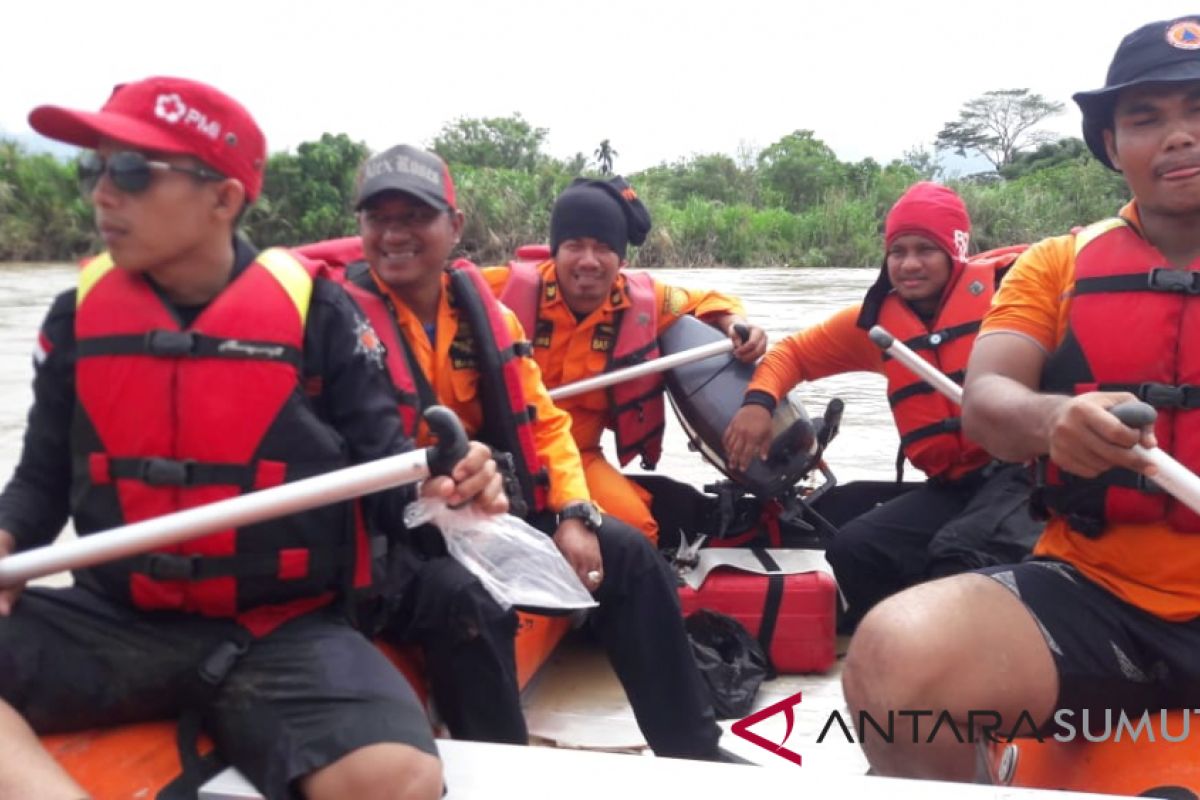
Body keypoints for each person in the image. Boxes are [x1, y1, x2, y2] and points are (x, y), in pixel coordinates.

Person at [0, 78, 505, 800]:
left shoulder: (321, 315)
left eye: (133, 172)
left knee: (400, 779)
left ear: (224, 197)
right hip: (114, 623)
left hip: (279, 630)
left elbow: (390, 477)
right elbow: (40, 482)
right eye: (95, 170)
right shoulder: (75, 318)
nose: (103, 195)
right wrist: (8, 538)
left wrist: (449, 485)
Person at [840, 15, 1200, 781]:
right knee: (892, 656)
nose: (1179, 137)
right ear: (1110, 146)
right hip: (1100, 591)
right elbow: (988, 399)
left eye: (1199, 111)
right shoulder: (1055, 266)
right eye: (1147, 118)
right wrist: (1052, 419)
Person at [296, 144, 727, 759]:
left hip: (483, 504)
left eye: (416, 218)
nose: (396, 235)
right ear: (360, 226)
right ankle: (504, 769)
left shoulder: (486, 313)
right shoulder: (329, 320)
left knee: (628, 552)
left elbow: (545, 424)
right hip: (393, 529)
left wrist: (575, 514)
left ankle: (694, 749)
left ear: (454, 227)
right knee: (465, 602)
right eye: (379, 219)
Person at [723, 182, 1041, 629]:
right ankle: (895, 644)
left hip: (1028, 478)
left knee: (962, 553)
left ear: (956, 252)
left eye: (925, 250)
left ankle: (965, 654)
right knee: (855, 548)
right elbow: (792, 354)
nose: (909, 264)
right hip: (957, 485)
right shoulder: (875, 325)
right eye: (897, 251)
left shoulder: (1016, 296)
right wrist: (758, 403)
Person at [480, 178, 768, 545]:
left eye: (603, 248)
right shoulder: (499, 288)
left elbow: (711, 301)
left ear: (622, 259)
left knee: (638, 531)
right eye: (574, 246)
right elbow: (430, 293)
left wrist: (737, 324)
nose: (588, 261)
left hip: (579, 456)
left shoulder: (647, 302)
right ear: (555, 252)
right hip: (497, 452)